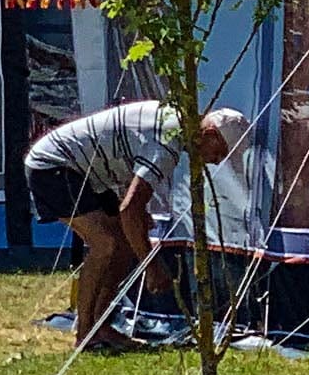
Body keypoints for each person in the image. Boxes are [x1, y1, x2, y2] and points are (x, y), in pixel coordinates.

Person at [25, 100, 244, 340]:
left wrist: (136, 213)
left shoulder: (174, 120)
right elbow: (129, 210)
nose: (217, 160)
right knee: (105, 245)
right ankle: (86, 334)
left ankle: (99, 326)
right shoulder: (168, 142)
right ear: (209, 133)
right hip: (54, 165)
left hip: (86, 173)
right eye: (220, 151)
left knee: (123, 245)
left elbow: (124, 163)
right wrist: (152, 267)